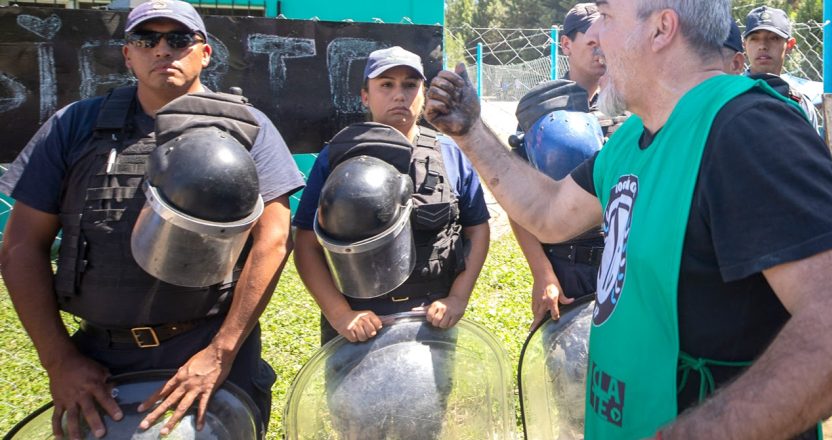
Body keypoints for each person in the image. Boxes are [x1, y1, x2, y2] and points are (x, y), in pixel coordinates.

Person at [424, 0, 832, 438]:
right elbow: (547, 213)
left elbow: (831, 326)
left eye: (606, 17)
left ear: (661, 29)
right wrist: (469, 131)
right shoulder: (632, 138)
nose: (597, 37)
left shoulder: (751, 130)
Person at [0, 1, 304, 438]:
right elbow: (20, 246)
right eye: (146, 40)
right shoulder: (74, 126)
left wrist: (221, 352)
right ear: (128, 54)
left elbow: (273, 240)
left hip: (203, 346)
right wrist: (58, 359)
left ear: (205, 52)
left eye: (179, 39)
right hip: (99, 357)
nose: (163, 50)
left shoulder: (248, 127)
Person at [293, 46, 490, 345]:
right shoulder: (335, 158)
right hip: (359, 324)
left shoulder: (450, 154)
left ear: (423, 94)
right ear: (365, 95)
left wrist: (457, 298)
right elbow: (306, 243)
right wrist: (340, 314)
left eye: (410, 85)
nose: (399, 95)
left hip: (431, 321)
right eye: (386, 84)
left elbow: (477, 228)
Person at [510, 3, 607, 331]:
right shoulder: (545, 113)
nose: (601, 50)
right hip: (567, 266)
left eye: (605, 39)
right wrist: (543, 273)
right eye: (591, 42)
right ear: (566, 45)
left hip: (622, 263)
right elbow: (518, 203)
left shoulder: (626, 104)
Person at [743, 5, 820, 131]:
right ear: (744, 45)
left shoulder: (800, 103)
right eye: (754, 39)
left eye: (773, 38)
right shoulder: (731, 94)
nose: (762, 45)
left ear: (789, 45)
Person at [560, 3, 605, 104]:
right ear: (566, 45)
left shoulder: (624, 103)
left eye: (606, 34)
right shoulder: (547, 102)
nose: (602, 43)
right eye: (593, 36)